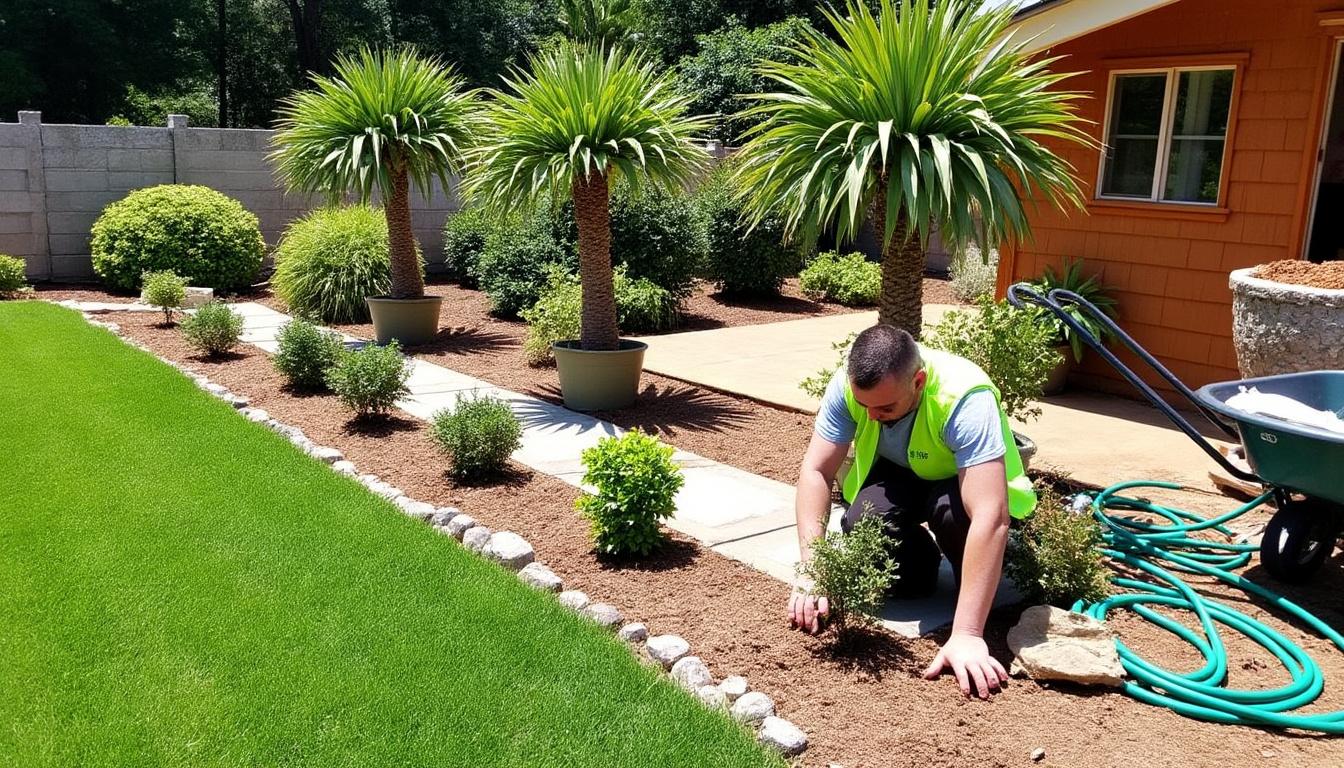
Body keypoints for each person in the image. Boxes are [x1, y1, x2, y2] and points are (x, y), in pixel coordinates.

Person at [790, 324, 1036, 699]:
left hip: (960, 481)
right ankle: (924, 567)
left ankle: (984, 573)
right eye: (865, 406)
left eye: (885, 407)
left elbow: (992, 514)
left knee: (957, 519)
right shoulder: (850, 385)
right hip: (900, 471)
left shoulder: (964, 397)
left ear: (918, 381)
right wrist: (813, 571)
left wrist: (967, 634)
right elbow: (817, 470)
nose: (871, 417)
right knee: (868, 529)